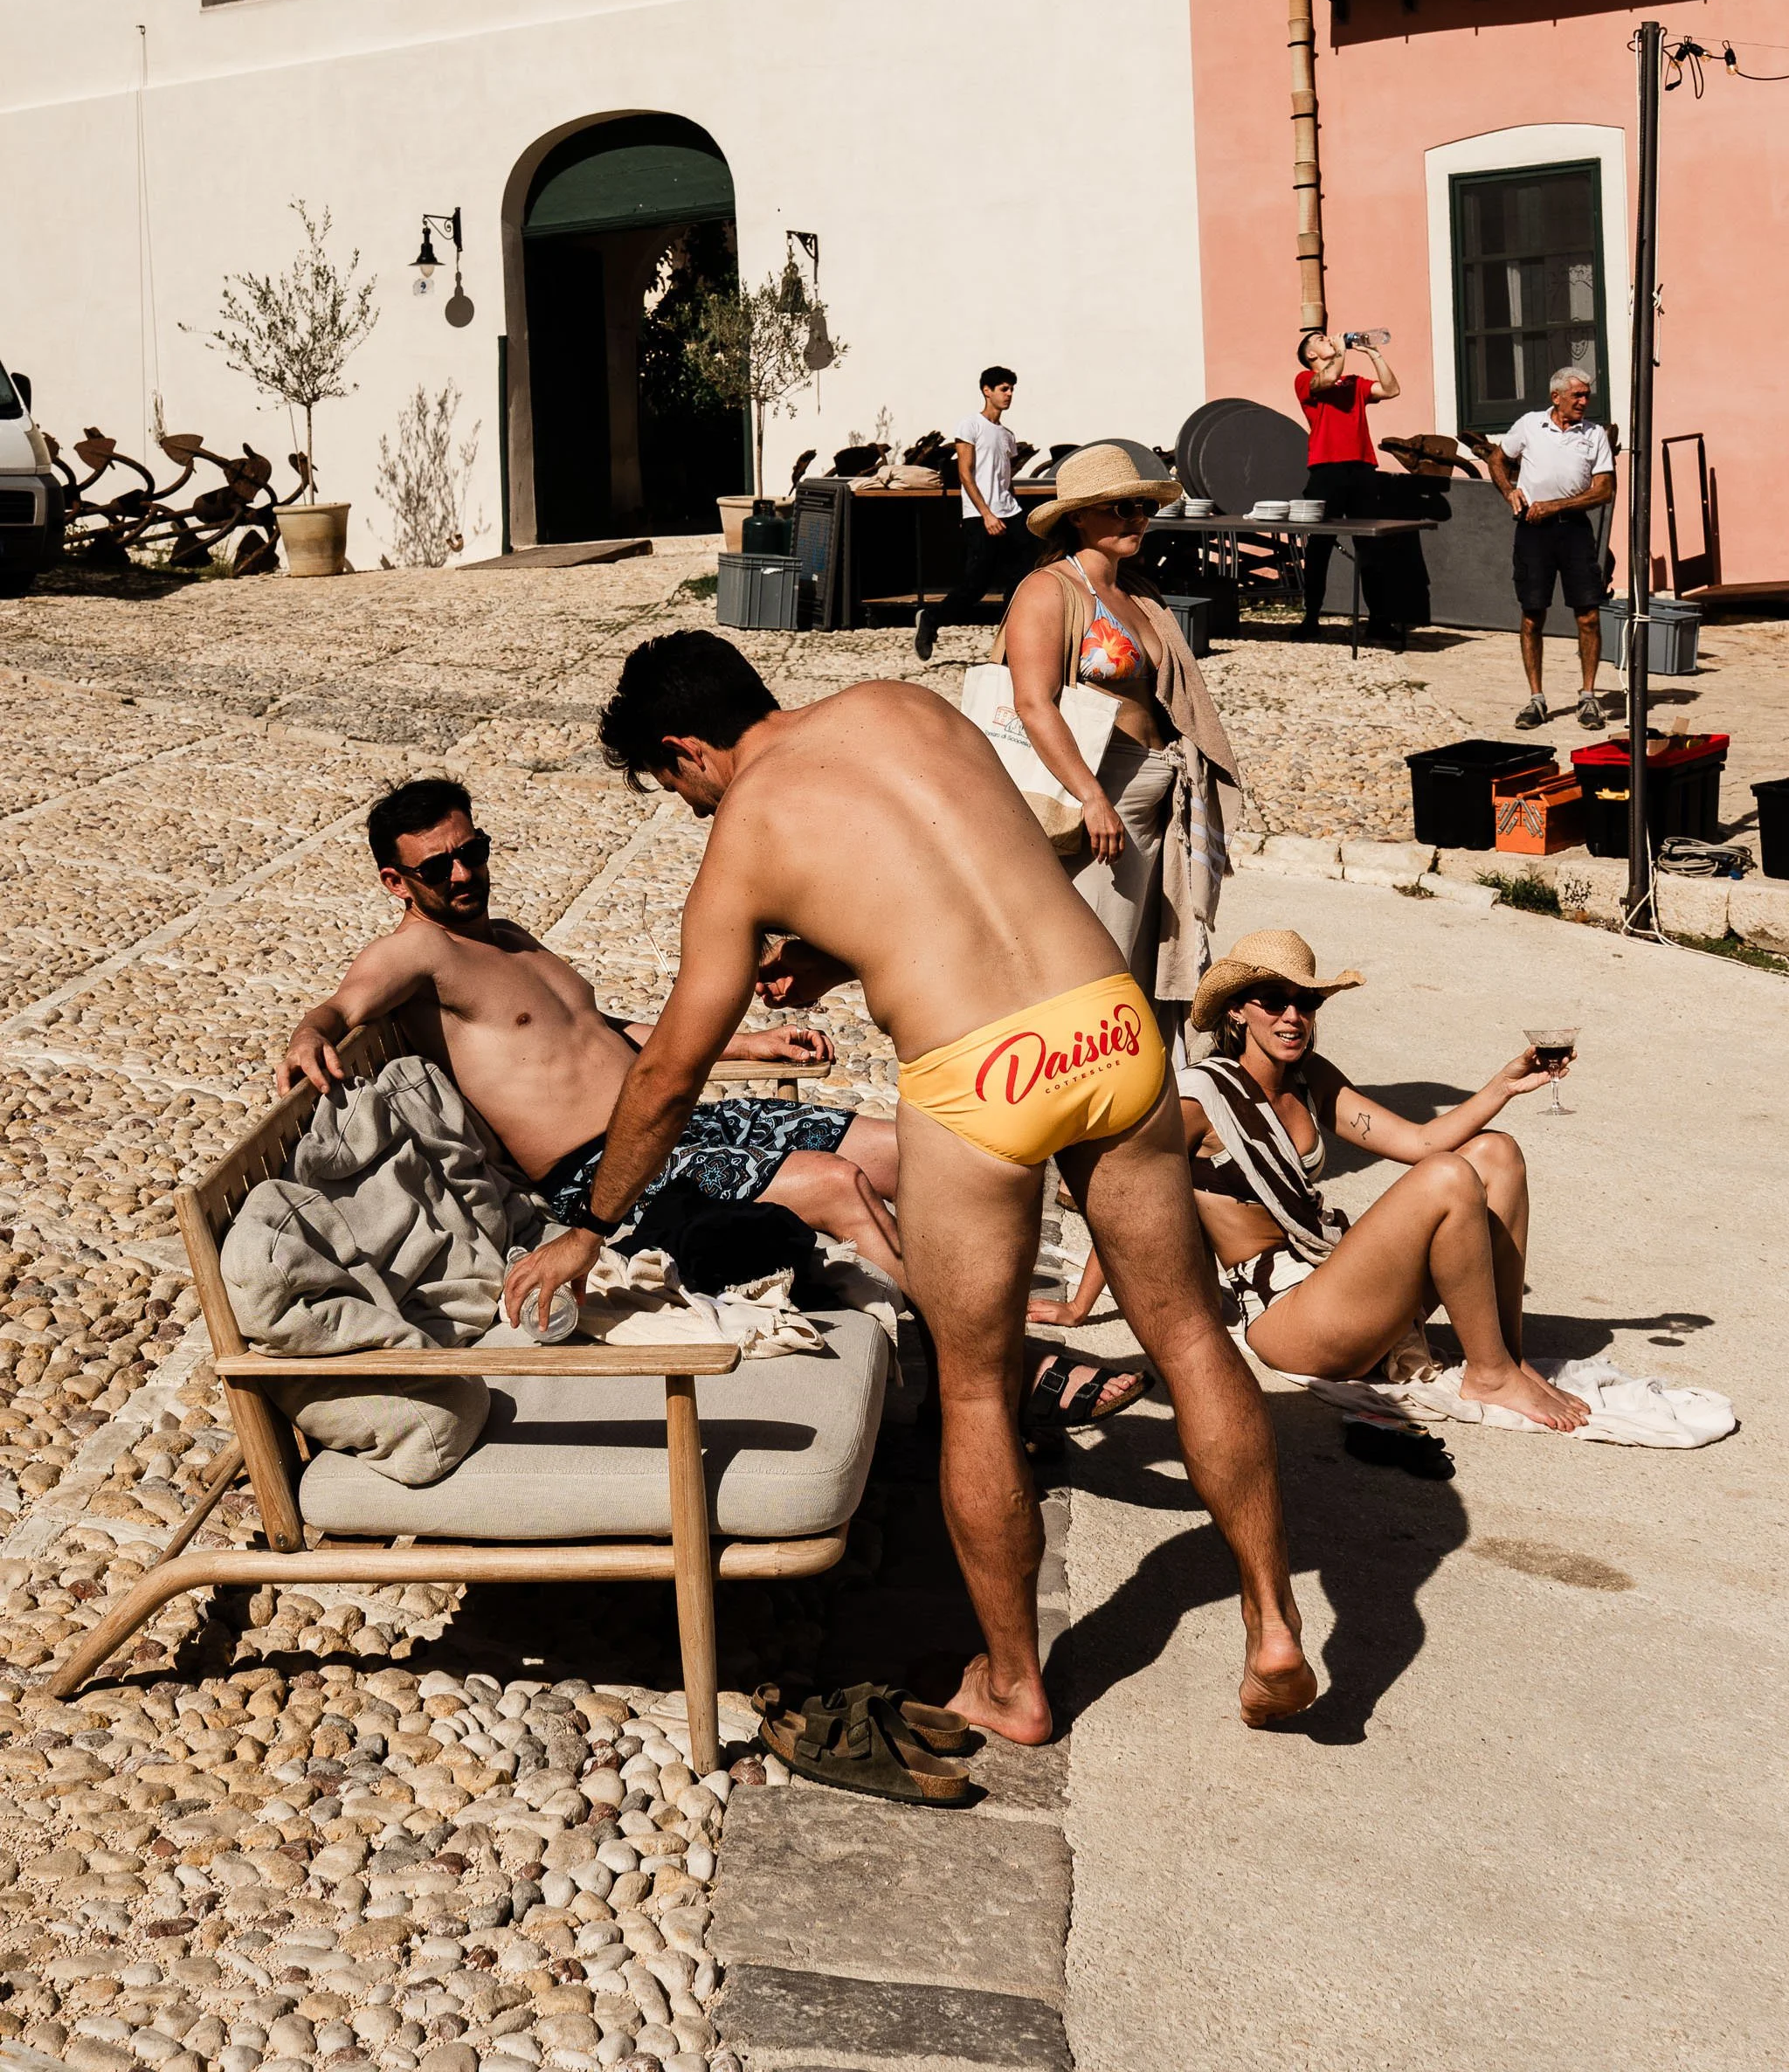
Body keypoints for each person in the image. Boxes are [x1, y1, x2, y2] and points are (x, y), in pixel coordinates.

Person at [504, 632, 1316, 1741]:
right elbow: (1005, 857)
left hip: (981, 1074)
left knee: (976, 1393)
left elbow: (668, 1073)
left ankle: (1013, 1683)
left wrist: (591, 1226)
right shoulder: (905, 704)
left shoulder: (743, 838)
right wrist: (852, 948)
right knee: (1185, 1335)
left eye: (675, 789)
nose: (691, 810)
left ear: (685, 749)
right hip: (1106, 1021)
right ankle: (1272, 1624)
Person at [276, 777, 905, 1281]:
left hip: (674, 1122)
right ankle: (947, 1378)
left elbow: (597, 1028)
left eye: (471, 852)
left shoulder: (512, 939)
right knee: (838, 1183)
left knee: (909, 1151)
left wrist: (746, 1044)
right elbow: (343, 1005)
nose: (463, 875)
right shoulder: (417, 954)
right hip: (610, 1173)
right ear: (396, 882)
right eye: (437, 868)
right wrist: (311, 1032)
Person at [1158, 927, 1586, 1431]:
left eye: (1307, 1002)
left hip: (1337, 1273)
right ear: (1236, 1010)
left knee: (1498, 1152)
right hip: (1289, 1317)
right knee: (1448, 1176)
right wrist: (1080, 1308)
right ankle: (1491, 1376)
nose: (1293, 1017)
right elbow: (1133, 1198)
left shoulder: (1309, 1077)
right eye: (1274, 1001)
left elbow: (1418, 1143)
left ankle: (1504, 1360)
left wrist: (1505, 1086)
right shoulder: (1198, 1096)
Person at [1003, 442, 1240, 1064]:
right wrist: (1091, 795)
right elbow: (1034, 703)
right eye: (1118, 507)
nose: (1136, 517)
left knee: (1149, 958)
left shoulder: (1138, 591)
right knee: (1094, 961)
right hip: (1102, 796)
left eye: (1140, 506)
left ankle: (1145, 1099)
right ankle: (1077, 1100)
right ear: (1078, 516)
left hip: (1159, 791)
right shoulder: (1048, 591)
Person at [1488, 367, 1617, 732]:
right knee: (1532, 614)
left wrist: (1556, 505)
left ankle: (1588, 696)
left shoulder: (1594, 435)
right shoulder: (1529, 425)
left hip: (1575, 530)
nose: (1584, 401)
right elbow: (1497, 458)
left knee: (1588, 615)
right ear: (1556, 397)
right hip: (1533, 529)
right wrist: (1508, 491)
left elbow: (1605, 490)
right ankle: (1536, 699)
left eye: (1587, 395)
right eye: (1577, 395)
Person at [1293, 327, 1404, 649]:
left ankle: (1379, 621)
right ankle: (1311, 616)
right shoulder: (1305, 379)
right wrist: (1340, 351)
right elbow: (1325, 381)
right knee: (1320, 547)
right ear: (1311, 355)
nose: (1327, 339)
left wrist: (1374, 354)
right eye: (1319, 340)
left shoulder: (1353, 382)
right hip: (1326, 469)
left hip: (1362, 467)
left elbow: (1391, 389)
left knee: (1370, 546)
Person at [916, 365, 1027, 659]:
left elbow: (1005, 478)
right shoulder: (970, 426)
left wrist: (1012, 509)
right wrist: (987, 514)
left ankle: (1010, 637)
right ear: (986, 391)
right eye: (1003, 389)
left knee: (1027, 570)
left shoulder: (1008, 435)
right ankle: (931, 618)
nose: (1009, 394)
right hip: (981, 515)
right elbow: (965, 474)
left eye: (1011, 389)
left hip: (1009, 511)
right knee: (976, 585)